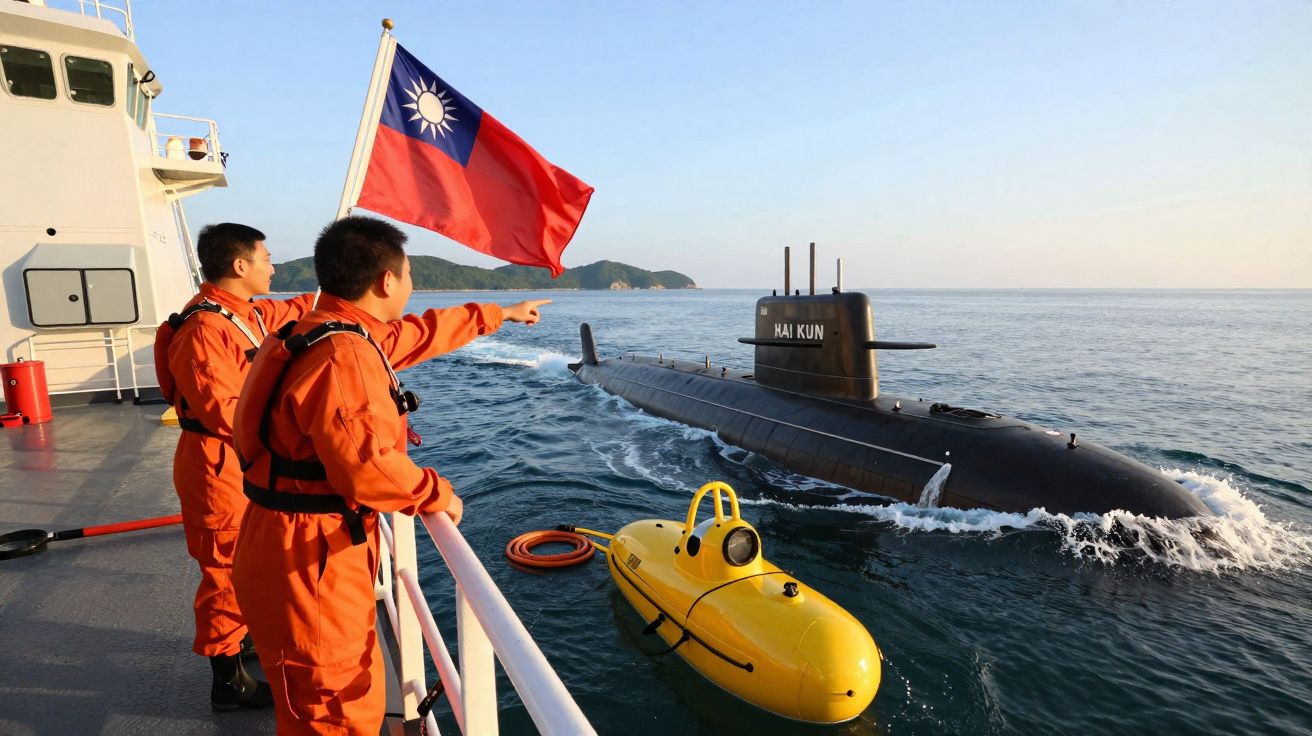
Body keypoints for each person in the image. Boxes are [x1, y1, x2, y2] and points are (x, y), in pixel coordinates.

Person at [230, 215, 549, 734]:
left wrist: (499, 314)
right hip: (310, 557)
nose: (411, 284)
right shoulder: (344, 356)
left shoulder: (317, 332)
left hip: (287, 538)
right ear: (386, 281)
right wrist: (438, 494)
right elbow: (368, 468)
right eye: (409, 274)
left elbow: (415, 335)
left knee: (315, 702)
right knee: (335, 711)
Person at [156, 223, 316, 710]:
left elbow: (295, 307)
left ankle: (240, 642)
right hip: (215, 467)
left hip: (240, 463)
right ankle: (227, 681)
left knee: (245, 563)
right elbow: (223, 412)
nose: (274, 268)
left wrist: (342, 287)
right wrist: (298, 436)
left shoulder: (246, 313)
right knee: (224, 571)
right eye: (266, 259)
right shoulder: (204, 331)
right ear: (240, 265)